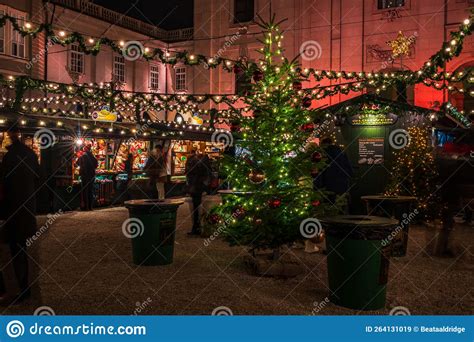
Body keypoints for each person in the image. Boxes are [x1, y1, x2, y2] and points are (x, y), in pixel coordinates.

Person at [0, 126, 40, 304]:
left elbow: (4, 187)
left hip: (13, 210)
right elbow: (40, 179)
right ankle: (23, 288)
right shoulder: (30, 155)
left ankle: (17, 290)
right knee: (20, 250)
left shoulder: (9, 158)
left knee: (13, 251)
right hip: (26, 209)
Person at [315, 137, 353, 209]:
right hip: (342, 185)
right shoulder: (341, 152)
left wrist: (317, 186)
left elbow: (319, 172)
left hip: (326, 185)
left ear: (323, 144)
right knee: (341, 206)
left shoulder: (321, 154)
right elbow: (349, 169)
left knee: (327, 208)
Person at [185, 150, 211, 235]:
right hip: (199, 187)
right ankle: (198, 227)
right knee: (197, 207)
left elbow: (191, 174)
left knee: (196, 207)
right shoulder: (203, 161)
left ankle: (197, 227)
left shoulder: (194, 162)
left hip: (196, 187)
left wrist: (192, 186)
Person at [77, 145, 98, 211]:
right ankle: (90, 207)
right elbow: (96, 165)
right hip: (92, 175)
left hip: (85, 176)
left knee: (85, 191)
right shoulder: (93, 156)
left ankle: (85, 207)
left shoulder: (82, 156)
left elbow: (77, 163)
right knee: (90, 191)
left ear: (85, 149)